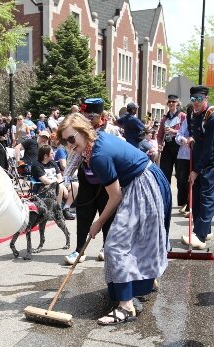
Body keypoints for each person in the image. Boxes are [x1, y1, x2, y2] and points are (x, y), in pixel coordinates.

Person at [57, 113, 170, 325]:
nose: (70, 146)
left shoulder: (98, 154)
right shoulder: (94, 141)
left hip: (143, 184)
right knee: (139, 238)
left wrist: (98, 223)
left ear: (83, 131)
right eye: (66, 142)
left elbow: (115, 195)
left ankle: (126, 306)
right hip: (144, 180)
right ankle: (146, 281)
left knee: (116, 245)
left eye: (71, 139)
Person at [64, 98, 111, 265]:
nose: (88, 119)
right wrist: (67, 174)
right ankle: (79, 250)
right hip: (87, 177)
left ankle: (107, 247)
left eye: (92, 116)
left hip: (107, 180)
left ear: (100, 116)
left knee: (107, 214)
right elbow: (75, 154)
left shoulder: (111, 131)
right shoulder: (80, 132)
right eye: (86, 116)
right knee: (83, 214)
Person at [181, 86, 214, 249]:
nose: (196, 103)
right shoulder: (191, 112)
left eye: (200, 99)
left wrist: (196, 170)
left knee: (207, 196)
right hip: (199, 155)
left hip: (212, 159)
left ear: (206, 99)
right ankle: (205, 230)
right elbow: (198, 135)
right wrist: (193, 139)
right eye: (193, 100)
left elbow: (210, 147)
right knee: (198, 195)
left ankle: (199, 237)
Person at [157, 95, 186, 201]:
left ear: (177, 103)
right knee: (165, 173)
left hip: (179, 148)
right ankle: (164, 198)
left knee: (181, 175)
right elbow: (160, 136)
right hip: (167, 148)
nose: (171, 104)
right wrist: (159, 144)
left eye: (173, 102)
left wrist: (175, 132)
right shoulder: (164, 118)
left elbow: (186, 132)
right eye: (169, 102)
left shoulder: (182, 116)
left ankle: (182, 202)